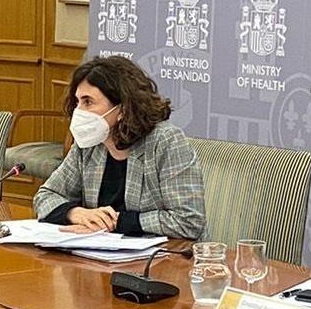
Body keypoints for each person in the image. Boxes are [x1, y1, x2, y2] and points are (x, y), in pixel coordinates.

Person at [31, 56, 205, 238]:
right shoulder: (89, 145)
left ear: (122, 109)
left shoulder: (166, 141)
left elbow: (189, 221)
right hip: (98, 255)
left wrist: (115, 222)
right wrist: (75, 213)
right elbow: (45, 195)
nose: (79, 111)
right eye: (77, 102)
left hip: (164, 258)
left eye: (88, 102)